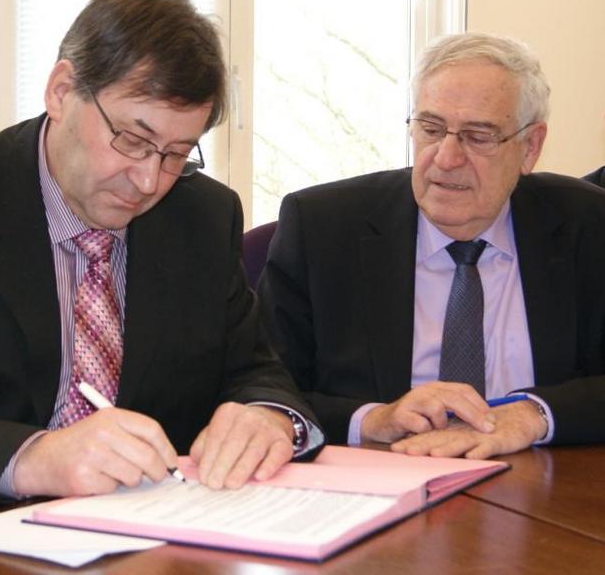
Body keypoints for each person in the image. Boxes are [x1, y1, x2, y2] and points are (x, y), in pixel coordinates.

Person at [0, 0, 323, 501]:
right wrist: (31, 457)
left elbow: (255, 369)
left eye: (177, 153)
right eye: (132, 139)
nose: (149, 181)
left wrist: (267, 416)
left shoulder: (202, 216)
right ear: (61, 92)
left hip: (152, 537)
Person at [258, 32, 605, 460]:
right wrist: (373, 419)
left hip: (544, 491)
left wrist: (534, 415)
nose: (445, 157)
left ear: (529, 147)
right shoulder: (322, 227)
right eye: (431, 128)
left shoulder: (587, 224)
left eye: (478, 136)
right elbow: (264, 387)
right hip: (382, 485)